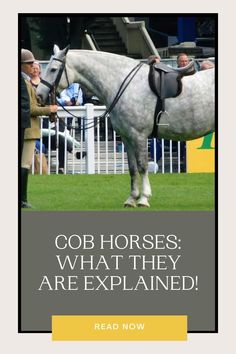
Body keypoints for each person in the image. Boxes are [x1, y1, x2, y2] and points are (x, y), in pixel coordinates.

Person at [21, 48, 58, 208]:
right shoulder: (23, 82)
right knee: (24, 165)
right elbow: (29, 109)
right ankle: (22, 200)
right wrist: (49, 110)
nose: (33, 66)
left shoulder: (26, 81)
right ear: (21, 65)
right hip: (28, 130)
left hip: (29, 130)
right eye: (29, 64)